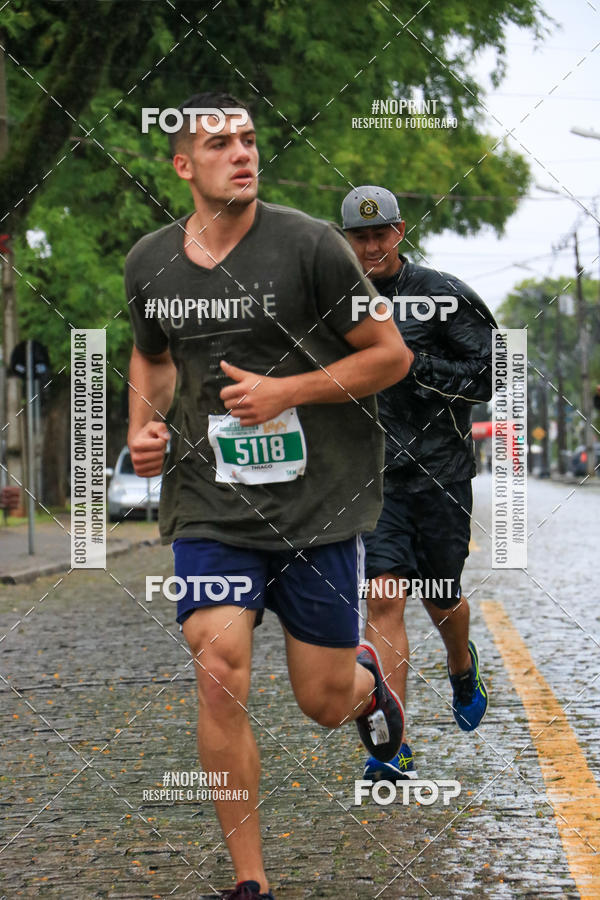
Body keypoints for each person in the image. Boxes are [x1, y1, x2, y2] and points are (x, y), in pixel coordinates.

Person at [126, 97, 414, 900]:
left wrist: (286, 388)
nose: (242, 153)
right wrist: (144, 433)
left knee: (321, 704)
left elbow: (389, 356)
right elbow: (150, 360)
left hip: (318, 504)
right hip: (211, 504)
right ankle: (252, 883)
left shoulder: (313, 248)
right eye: (220, 144)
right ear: (183, 165)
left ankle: (366, 682)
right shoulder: (151, 263)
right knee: (217, 664)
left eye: (249, 141)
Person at [341, 185, 495, 783]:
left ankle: (461, 664)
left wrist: (412, 364)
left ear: (399, 232)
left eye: (381, 234)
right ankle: (391, 747)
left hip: (441, 471)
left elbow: (491, 375)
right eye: (361, 236)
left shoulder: (443, 296)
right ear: (347, 241)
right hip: (373, 477)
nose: (372, 245)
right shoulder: (334, 302)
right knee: (382, 595)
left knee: (439, 593)